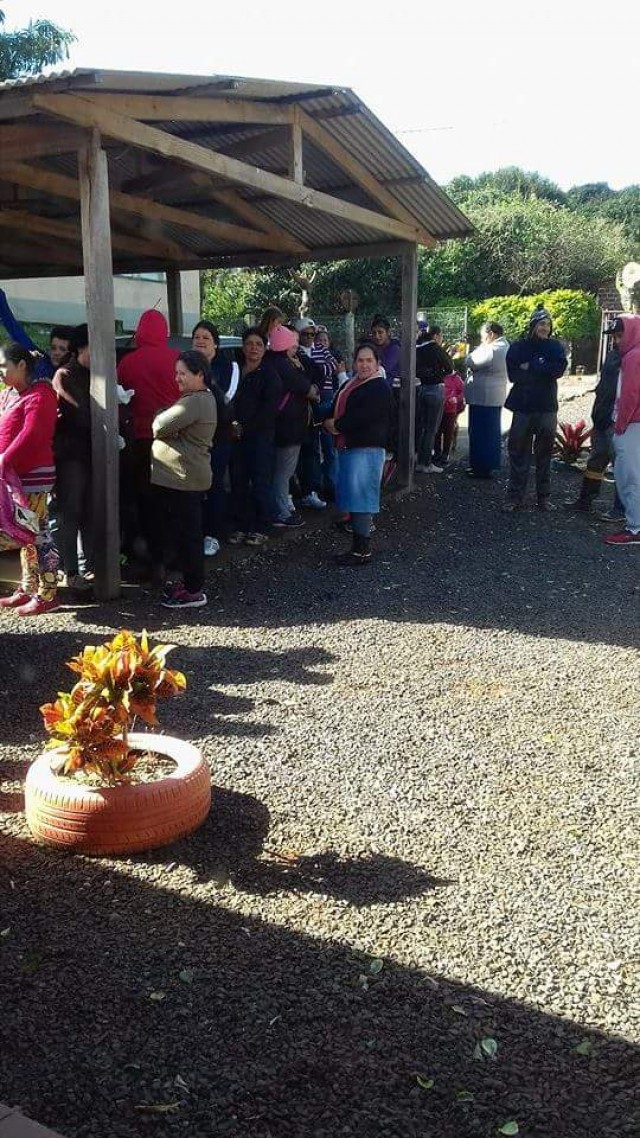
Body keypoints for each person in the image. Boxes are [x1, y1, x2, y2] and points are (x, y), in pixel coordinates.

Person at [151, 350, 217, 609]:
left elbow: (158, 425)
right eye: (176, 373)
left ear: (199, 374)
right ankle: (189, 584)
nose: (177, 378)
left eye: (183, 373)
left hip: (185, 478)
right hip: (184, 477)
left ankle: (193, 589)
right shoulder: (200, 398)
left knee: (188, 535)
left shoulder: (195, 401)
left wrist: (162, 416)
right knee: (185, 533)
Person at [116, 309, 179, 574]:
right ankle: (172, 555)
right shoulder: (177, 359)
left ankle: (151, 558)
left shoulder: (127, 363)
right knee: (172, 501)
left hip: (139, 442)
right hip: (173, 441)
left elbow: (119, 396)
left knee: (144, 501)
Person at [0, 342, 59, 615]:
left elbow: (32, 435)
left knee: (37, 534)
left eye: (4, 366)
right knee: (25, 535)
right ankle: (28, 587)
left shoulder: (41, 395)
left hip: (33, 477)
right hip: (13, 478)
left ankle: (47, 593)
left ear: (22, 365)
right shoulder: (9, 395)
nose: (0, 372)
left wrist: (4, 460)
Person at [324, 341, 394, 566]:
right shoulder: (354, 383)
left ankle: (361, 550)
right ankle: (358, 547)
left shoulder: (378, 387)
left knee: (362, 499)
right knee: (355, 498)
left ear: (377, 363)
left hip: (366, 448)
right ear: (354, 363)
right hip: (351, 447)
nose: (364, 365)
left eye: (369, 360)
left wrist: (336, 425)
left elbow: (363, 417)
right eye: (360, 360)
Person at [504, 307, 567, 510]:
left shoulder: (555, 347)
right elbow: (513, 375)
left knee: (545, 453)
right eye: (541, 324)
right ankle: (515, 497)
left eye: (548, 324)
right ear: (533, 325)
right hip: (522, 407)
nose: (545, 328)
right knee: (518, 452)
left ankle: (543, 497)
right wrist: (543, 367)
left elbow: (558, 370)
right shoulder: (518, 347)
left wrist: (531, 366)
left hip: (547, 407)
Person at [228, 327, 282, 546]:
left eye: (259, 344)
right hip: (235, 436)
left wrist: (246, 428)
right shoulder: (235, 371)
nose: (254, 348)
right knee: (238, 481)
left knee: (260, 481)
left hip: (260, 437)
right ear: (243, 347)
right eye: (250, 344)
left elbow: (269, 410)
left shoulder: (270, 375)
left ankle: (262, 526)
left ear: (265, 348)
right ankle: (241, 525)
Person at [51, 324, 93, 592]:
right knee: (70, 511)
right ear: (80, 349)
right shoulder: (65, 375)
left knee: (90, 511)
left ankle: (88, 567)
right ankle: (69, 570)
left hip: (92, 454)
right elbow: (80, 415)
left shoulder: (97, 373)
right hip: (71, 455)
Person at [192, 320, 239, 556]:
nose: (200, 341)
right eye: (197, 337)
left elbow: (226, 401)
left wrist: (205, 380)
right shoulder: (183, 366)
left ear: (216, 344)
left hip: (218, 437)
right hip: (191, 439)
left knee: (214, 485)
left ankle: (213, 534)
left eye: (206, 337)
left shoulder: (229, 367)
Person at [267, 324, 318, 528]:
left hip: (279, 427)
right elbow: (306, 387)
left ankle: (277, 509)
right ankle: (281, 511)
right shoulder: (284, 366)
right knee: (283, 472)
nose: (296, 347)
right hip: (289, 429)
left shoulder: (270, 363)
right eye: (293, 343)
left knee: (277, 471)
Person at [602, 315, 640, 546]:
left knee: (629, 476)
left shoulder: (633, 357)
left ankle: (635, 528)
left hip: (632, 423)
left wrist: (620, 424)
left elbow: (630, 394)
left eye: (619, 335)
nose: (616, 341)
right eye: (614, 336)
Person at [464, 321, 510, 478]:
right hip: (491, 396)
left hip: (483, 397)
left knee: (480, 433)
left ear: (490, 334)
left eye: (483, 336)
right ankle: (485, 465)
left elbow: (470, 361)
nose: (482, 339)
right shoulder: (504, 347)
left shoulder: (493, 349)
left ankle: (481, 468)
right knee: (490, 432)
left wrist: (477, 350)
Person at [415, 326, 453, 473]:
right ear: (436, 336)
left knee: (422, 427)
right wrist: (438, 374)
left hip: (420, 388)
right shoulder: (436, 349)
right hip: (435, 389)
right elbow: (450, 368)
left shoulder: (417, 349)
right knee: (431, 429)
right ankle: (425, 464)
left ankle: (419, 460)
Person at [433, 369, 465, 466]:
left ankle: (445, 454)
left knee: (448, 431)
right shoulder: (439, 376)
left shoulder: (456, 379)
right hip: (439, 407)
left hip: (450, 408)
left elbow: (462, 392)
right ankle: (437, 453)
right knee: (437, 431)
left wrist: (456, 399)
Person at [369, 315, 401, 385]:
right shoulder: (373, 347)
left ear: (388, 332)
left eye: (380, 332)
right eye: (374, 333)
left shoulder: (395, 349)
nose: (377, 336)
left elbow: (383, 370)